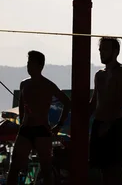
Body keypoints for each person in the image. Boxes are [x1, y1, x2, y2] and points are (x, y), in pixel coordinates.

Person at [7, 50, 71, 185]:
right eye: (27, 62)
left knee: (46, 169)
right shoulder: (24, 84)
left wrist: (59, 125)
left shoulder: (48, 85)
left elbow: (67, 102)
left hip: (42, 130)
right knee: (14, 167)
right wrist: (22, 123)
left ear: (39, 65)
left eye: (31, 63)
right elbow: (21, 107)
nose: (28, 65)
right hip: (25, 130)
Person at [89, 37, 122, 185]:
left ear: (115, 51)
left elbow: (120, 100)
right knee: (96, 167)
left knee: (114, 167)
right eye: (100, 50)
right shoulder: (99, 74)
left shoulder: (121, 72)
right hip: (98, 122)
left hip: (114, 124)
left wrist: (108, 123)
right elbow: (94, 101)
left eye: (105, 50)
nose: (102, 53)